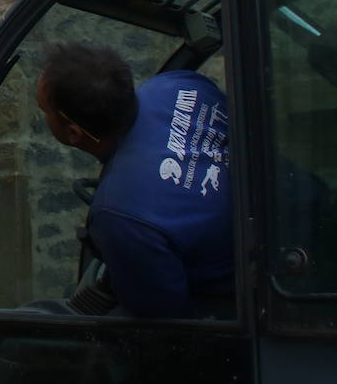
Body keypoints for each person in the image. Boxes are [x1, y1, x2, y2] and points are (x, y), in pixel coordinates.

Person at [36, 42, 233, 318]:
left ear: (73, 132)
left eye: (43, 109)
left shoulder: (120, 214)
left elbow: (164, 323)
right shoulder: (180, 83)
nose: (43, 117)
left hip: (241, 300)